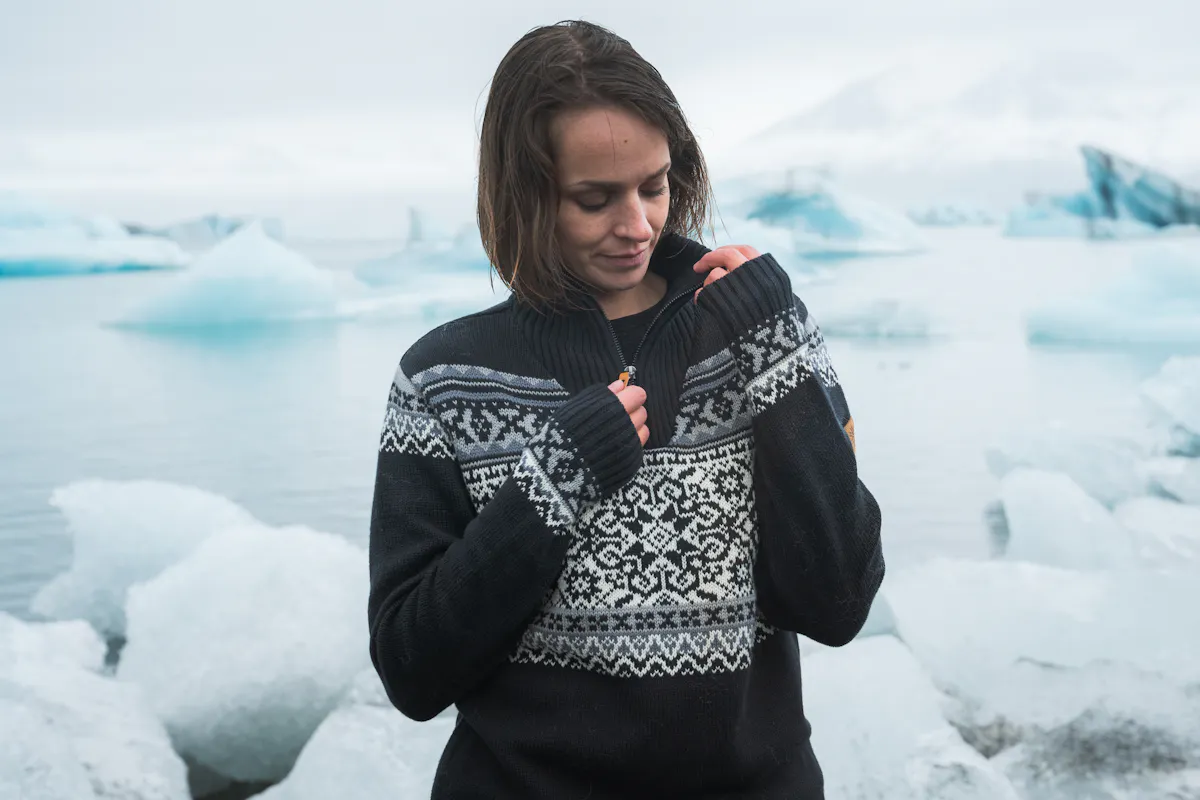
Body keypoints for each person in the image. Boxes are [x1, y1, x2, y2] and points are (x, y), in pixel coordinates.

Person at [367, 19, 884, 799]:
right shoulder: (443, 379)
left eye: (655, 185)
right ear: (524, 194)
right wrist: (549, 490)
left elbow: (838, 600)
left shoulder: (760, 334)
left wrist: (779, 354)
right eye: (594, 199)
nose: (638, 225)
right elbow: (412, 669)